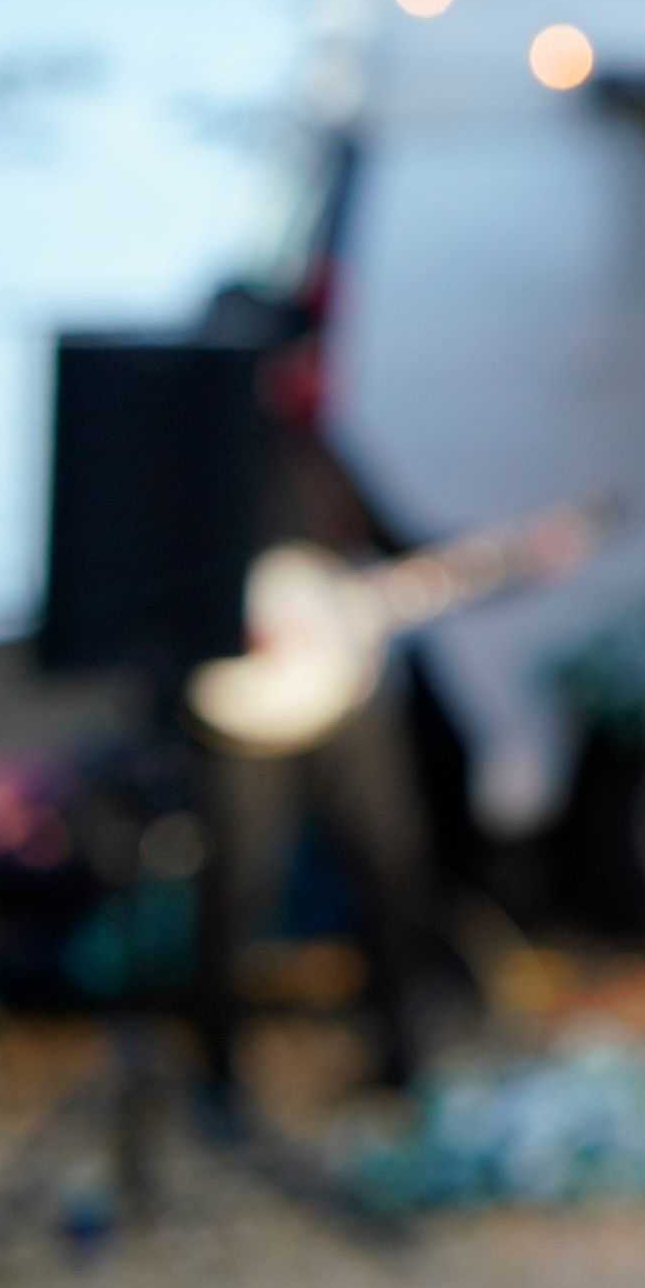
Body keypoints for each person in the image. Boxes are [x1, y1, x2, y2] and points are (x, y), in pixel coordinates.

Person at [190, 283, 443, 1103]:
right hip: (247, 708)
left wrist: (509, 559)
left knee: (390, 863)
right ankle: (219, 1071)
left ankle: (397, 1055)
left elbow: (397, 543)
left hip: (344, 694)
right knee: (238, 885)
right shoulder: (193, 449)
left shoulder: (315, 447)